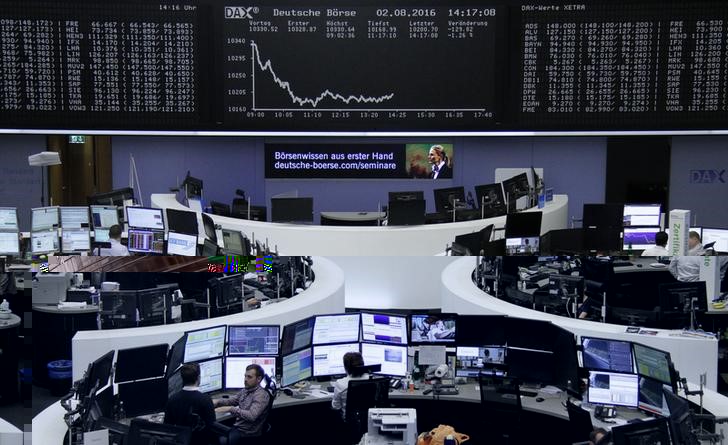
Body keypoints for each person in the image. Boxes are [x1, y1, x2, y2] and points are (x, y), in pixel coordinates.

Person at [164, 363, 216, 445]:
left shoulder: (172, 400)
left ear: (182, 379)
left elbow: (167, 427)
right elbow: (212, 426)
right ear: (198, 378)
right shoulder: (205, 400)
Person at [213, 364, 271, 437]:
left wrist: (230, 409)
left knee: (212, 433)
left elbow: (252, 416)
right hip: (238, 428)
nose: (245, 379)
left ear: (259, 379)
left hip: (246, 434)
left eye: (249, 377)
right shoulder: (246, 390)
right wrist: (218, 401)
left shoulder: (261, 395)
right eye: (245, 376)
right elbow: (232, 401)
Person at [331, 352, 370, 420]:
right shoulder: (371, 379)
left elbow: (336, 406)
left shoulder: (340, 383)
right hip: (369, 418)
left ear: (346, 368)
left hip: (350, 420)